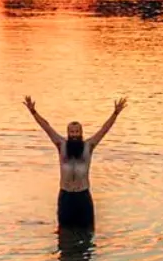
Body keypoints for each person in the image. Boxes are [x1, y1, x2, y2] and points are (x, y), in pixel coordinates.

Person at [23, 94, 127, 227]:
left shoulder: (89, 146)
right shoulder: (61, 145)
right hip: (65, 196)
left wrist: (115, 113)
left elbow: (104, 129)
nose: (74, 135)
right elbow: (47, 127)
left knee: (87, 233)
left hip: (83, 197)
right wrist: (33, 112)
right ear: (68, 133)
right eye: (72, 132)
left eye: (77, 132)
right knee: (64, 233)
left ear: (81, 133)